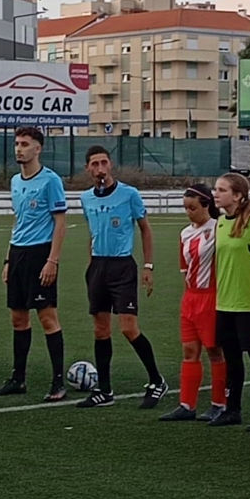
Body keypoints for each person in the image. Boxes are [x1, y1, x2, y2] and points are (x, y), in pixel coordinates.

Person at [77, 145, 166, 409]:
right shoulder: (86, 198)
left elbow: (145, 229)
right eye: (95, 164)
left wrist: (148, 266)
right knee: (100, 329)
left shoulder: (129, 194)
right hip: (98, 267)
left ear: (110, 165)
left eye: (104, 162)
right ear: (87, 168)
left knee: (128, 327)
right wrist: (91, 266)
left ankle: (157, 380)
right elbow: (92, 232)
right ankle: (104, 390)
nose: (100, 168)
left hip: (122, 266)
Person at [0, 127, 68, 402]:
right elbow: (18, 221)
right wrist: (8, 259)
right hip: (18, 253)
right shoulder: (15, 181)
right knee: (18, 317)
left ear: (38, 148)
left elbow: (60, 223)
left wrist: (52, 261)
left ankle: (58, 381)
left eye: (25, 144)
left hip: (40, 254)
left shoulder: (51, 180)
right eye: (17, 144)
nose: (19, 149)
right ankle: (18, 378)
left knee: (47, 317)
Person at [207, 172, 250, 430]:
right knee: (232, 359)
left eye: (222, 190)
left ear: (237, 195)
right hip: (224, 303)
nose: (216, 194)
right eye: (216, 189)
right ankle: (232, 409)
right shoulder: (220, 223)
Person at [160, 185, 225, 422]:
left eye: (193, 208)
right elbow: (185, 269)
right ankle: (187, 405)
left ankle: (219, 403)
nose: (188, 212)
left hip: (211, 296)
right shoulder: (185, 233)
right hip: (190, 298)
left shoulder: (219, 228)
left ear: (207, 205)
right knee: (189, 350)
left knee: (214, 351)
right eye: (186, 208)